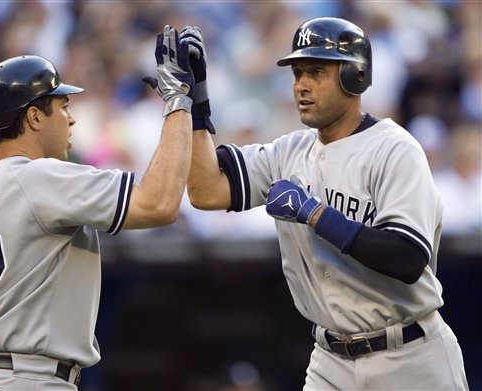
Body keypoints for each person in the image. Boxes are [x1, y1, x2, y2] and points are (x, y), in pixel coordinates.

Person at [184, 18, 469, 390]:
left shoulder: (394, 149)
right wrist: (193, 106)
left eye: (316, 71)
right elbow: (205, 192)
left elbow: (408, 257)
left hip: (409, 355)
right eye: (298, 72)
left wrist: (317, 215)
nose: (301, 84)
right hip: (329, 361)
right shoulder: (288, 151)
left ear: (356, 76)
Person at [0, 25, 194, 390]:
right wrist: (178, 100)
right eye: (62, 106)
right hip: (30, 379)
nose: (72, 119)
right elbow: (159, 204)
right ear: (34, 118)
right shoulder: (40, 178)